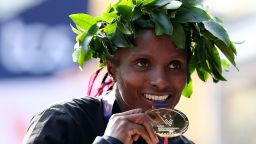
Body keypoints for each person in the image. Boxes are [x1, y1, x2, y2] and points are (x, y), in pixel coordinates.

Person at [23, 0, 237, 144]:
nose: (161, 82)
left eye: (174, 65)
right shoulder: (63, 123)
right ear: (111, 69)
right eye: (143, 63)